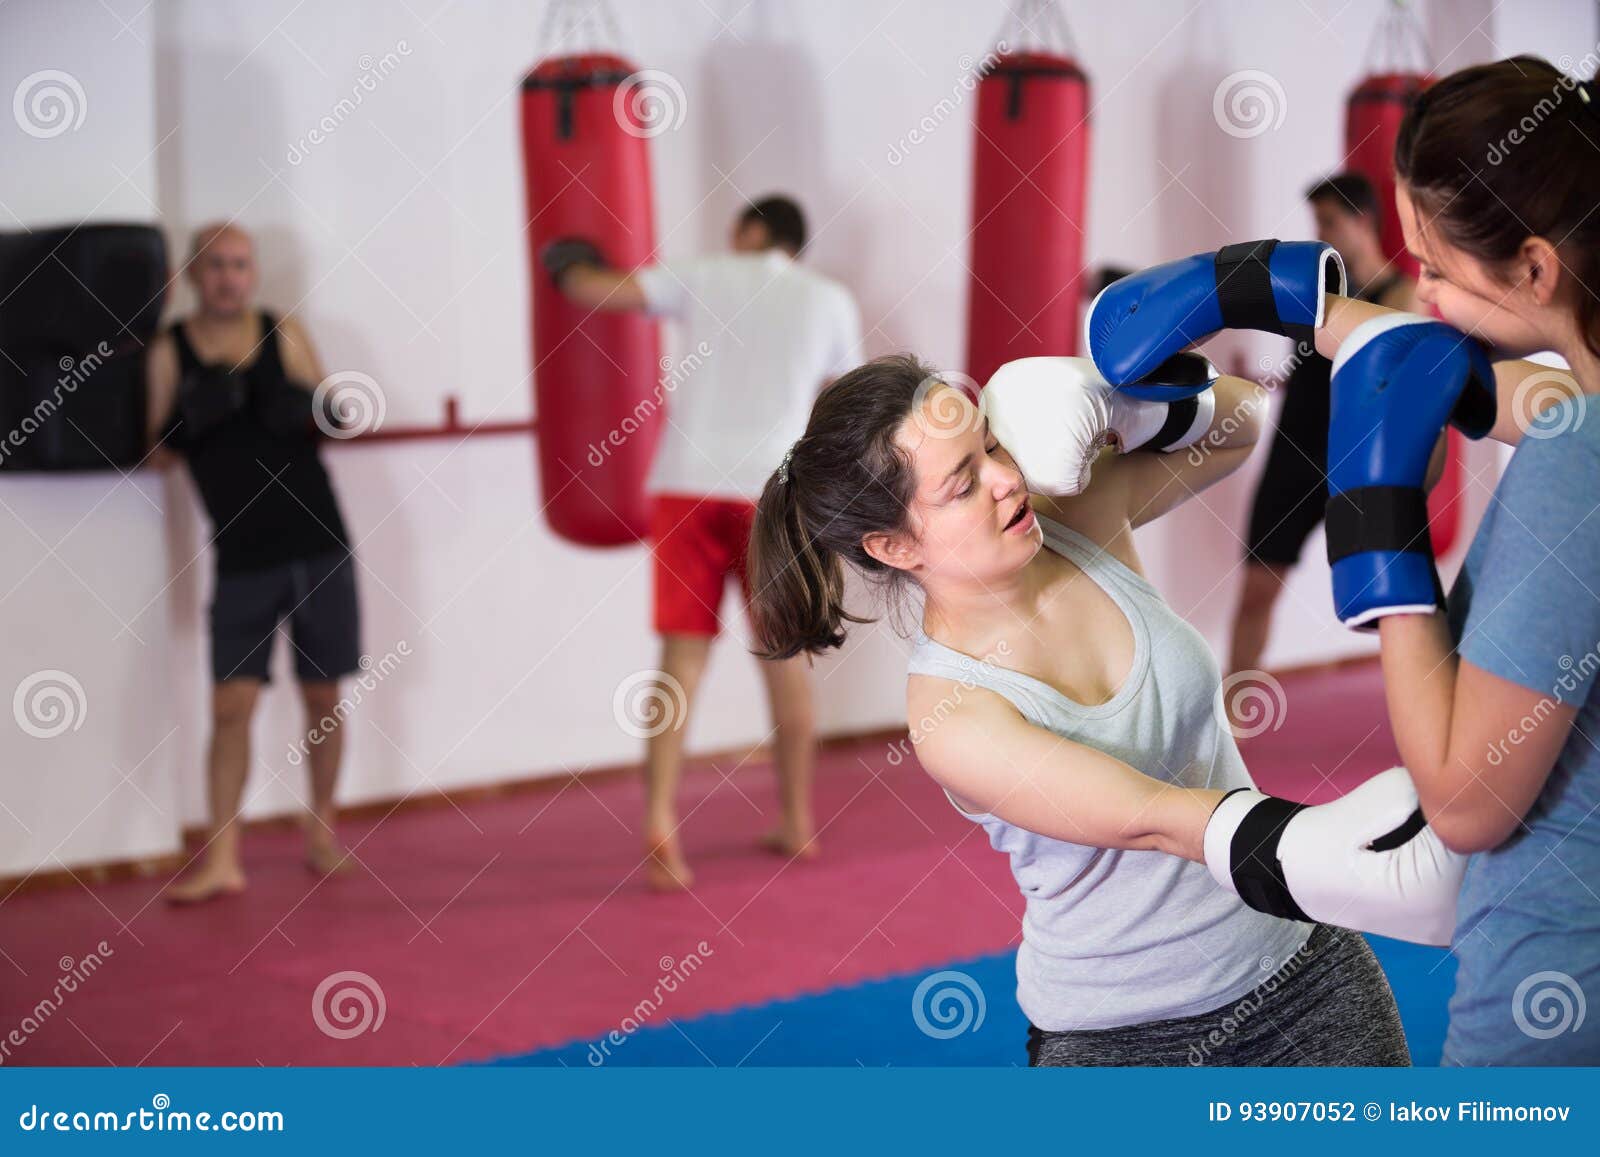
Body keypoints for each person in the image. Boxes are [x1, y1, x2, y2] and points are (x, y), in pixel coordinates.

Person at [739, 328, 1471, 1063]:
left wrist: (1126, 403)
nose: (1005, 479)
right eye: (962, 483)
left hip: (1303, 974)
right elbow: (1149, 818)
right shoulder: (950, 713)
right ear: (896, 547)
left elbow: (1240, 425)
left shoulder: (1078, 516)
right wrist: (1321, 850)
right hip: (1121, 1040)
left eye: (992, 445)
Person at [546, 196, 862, 890]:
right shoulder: (830, 300)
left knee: (680, 664)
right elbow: (843, 406)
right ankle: (797, 820)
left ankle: (661, 820)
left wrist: (562, 261)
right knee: (784, 660)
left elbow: (599, 291)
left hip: (687, 486)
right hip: (772, 492)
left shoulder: (709, 274)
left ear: (751, 232)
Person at [146, 223, 362, 904]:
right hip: (241, 555)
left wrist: (311, 409)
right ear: (191, 275)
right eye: (215, 266)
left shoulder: (282, 332)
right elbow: (155, 451)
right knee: (230, 704)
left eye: (240, 265)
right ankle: (222, 859)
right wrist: (187, 423)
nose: (229, 277)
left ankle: (322, 831)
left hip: (317, 540)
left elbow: (337, 411)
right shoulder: (170, 350)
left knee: (322, 694)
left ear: (253, 273)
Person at [1228, 174, 1415, 677]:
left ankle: (1418, 721)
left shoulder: (1401, 297)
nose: (1322, 232)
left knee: (1388, 606)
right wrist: (1264, 379)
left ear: (1363, 220)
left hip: (1354, 461)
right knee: (1257, 589)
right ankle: (1229, 724)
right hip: (1294, 452)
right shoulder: (1315, 291)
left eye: (1330, 221)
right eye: (1318, 222)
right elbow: (1315, 370)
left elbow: (1386, 378)